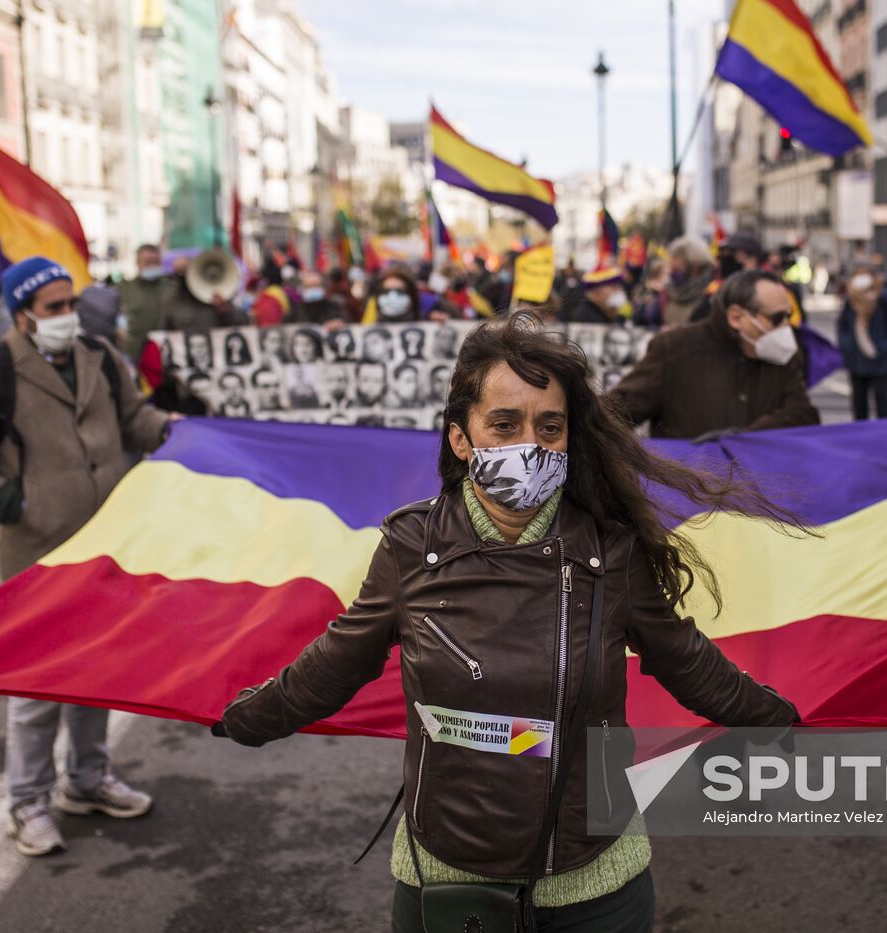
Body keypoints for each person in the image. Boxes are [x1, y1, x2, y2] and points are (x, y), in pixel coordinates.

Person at [212, 312, 801, 930]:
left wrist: (778, 716)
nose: (531, 444)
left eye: (550, 426)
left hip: (595, 888)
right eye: (504, 424)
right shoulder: (411, 546)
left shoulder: (612, 552)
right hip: (447, 886)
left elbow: (684, 659)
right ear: (461, 439)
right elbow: (336, 663)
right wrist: (245, 718)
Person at [0, 257, 174, 858]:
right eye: (54, 308)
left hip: (105, 546)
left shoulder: (98, 355)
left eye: (71, 304)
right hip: (39, 554)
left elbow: (134, 420)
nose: (68, 316)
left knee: (97, 675)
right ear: (23, 315)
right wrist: (15, 503)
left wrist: (174, 430)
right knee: (37, 688)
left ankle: (88, 781)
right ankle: (27, 801)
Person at [608, 271, 820, 439]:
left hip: (761, 486)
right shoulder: (675, 348)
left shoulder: (784, 354)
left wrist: (742, 438)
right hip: (688, 486)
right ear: (736, 317)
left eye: (788, 316)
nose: (786, 327)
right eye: (777, 318)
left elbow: (803, 414)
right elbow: (619, 411)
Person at [835, 265, 887, 420]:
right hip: (856, 361)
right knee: (859, 404)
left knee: (882, 402)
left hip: (879, 362)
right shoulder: (851, 298)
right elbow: (842, 325)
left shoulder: (884, 297)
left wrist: (883, 347)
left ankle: (885, 435)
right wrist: (847, 346)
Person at [116, 244, 172, 361]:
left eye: (155, 261)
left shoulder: (171, 288)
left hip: (165, 353)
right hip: (134, 353)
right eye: (147, 262)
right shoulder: (124, 289)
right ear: (138, 263)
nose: (151, 266)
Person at [662, 236, 717, 326]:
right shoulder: (669, 292)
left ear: (695, 268)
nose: (672, 274)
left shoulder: (711, 296)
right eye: (672, 269)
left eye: (677, 270)